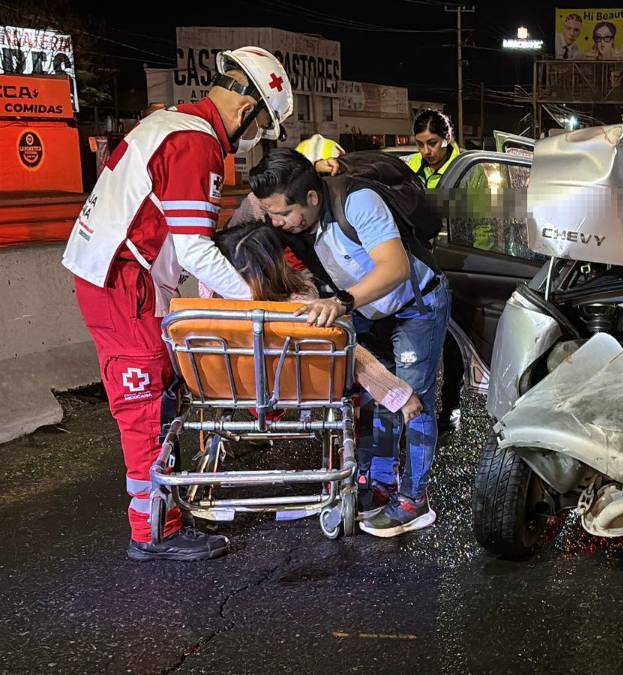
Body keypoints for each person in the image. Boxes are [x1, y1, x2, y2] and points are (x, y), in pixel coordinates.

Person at [61, 47, 293, 562]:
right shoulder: (197, 143)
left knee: (162, 391)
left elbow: (183, 237)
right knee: (143, 406)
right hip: (124, 283)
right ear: (247, 110)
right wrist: (254, 301)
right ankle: (153, 532)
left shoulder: (171, 124)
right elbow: (193, 248)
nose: (252, 141)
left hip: (123, 277)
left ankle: (161, 504)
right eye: (258, 129)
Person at [249, 148, 451, 537]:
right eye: (270, 214)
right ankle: (380, 483)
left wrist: (341, 303)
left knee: (412, 398)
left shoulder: (357, 202)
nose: (276, 222)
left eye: (282, 214)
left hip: (414, 304)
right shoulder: (287, 212)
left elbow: (396, 267)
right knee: (379, 395)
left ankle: (414, 499)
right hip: (368, 309)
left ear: (311, 198)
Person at [211, 220, 423, 425]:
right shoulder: (302, 306)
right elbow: (354, 356)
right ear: (276, 262)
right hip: (300, 383)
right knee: (342, 343)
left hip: (229, 382)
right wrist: (400, 396)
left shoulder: (208, 306)